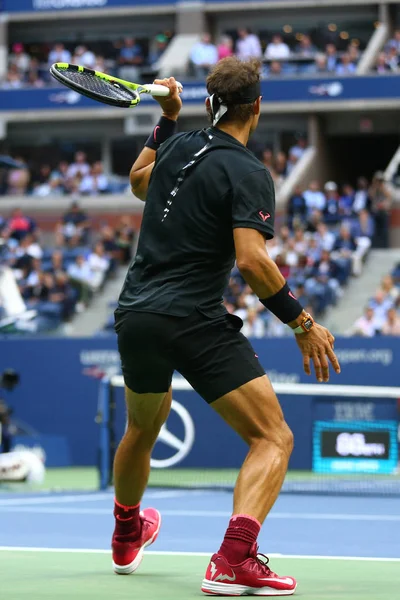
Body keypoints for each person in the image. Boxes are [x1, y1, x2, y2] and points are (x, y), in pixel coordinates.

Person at [111, 58, 340, 595]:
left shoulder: (179, 145)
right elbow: (253, 262)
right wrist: (302, 323)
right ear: (256, 106)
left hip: (137, 315)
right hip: (193, 317)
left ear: (211, 104)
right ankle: (234, 558)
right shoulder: (249, 171)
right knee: (273, 438)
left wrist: (166, 119)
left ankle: (126, 534)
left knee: (142, 428)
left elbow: (137, 182)